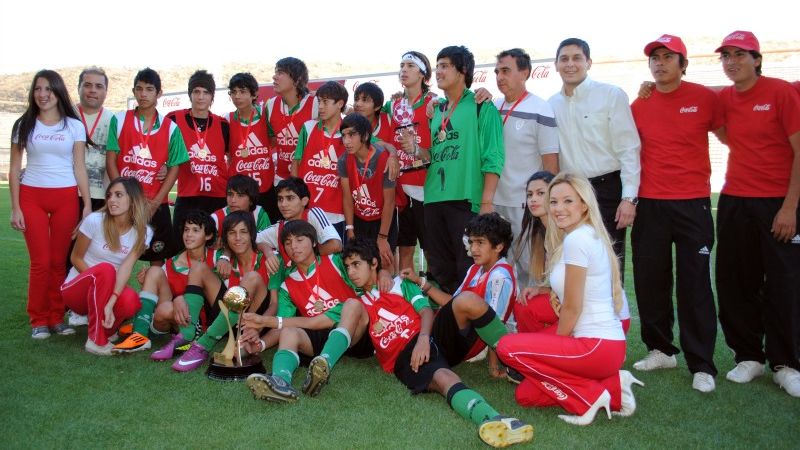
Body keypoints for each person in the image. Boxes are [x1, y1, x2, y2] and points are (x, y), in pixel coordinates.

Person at [340, 238, 533, 448]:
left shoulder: (400, 284)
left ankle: (518, 361)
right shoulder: (355, 306)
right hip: (405, 355)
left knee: (467, 299)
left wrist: (424, 338)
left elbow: (426, 311)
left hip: (430, 335)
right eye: (347, 267)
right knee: (443, 376)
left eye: (356, 264)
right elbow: (336, 328)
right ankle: (491, 418)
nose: (351, 272)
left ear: (374, 263)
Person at [497, 173, 641, 425]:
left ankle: (590, 397)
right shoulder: (577, 235)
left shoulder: (578, 239)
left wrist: (555, 350)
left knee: (507, 348)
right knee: (525, 395)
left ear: (584, 204)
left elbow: (572, 308)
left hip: (596, 344)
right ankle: (614, 387)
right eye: (554, 202)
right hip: (598, 344)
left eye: (567, 201)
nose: (558, 208)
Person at [630, 34, 722, 393]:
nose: (660, 63)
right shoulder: (640, 104)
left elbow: (730, 127)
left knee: (695, 283)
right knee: (650, 280)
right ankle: (660, 349)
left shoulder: (704, 98)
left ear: (683, 64)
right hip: (649, 204)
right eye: (655, 57)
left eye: (669, 57)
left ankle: (702, 364)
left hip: (693, 204)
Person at [713, 31, 800, 397]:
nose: (732, 61)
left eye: (740, 55)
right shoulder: (722, 98)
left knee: (785, 284)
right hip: (735, 199)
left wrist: (790, 207)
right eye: (726, 56)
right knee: (736, 282)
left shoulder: (781, 92)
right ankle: (748, 356)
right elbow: (723, 132)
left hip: (778, 202)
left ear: (757, 59)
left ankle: (787, 364)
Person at [241, 220, 373, 401]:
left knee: (352, 304)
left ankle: (324, 363)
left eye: (299, 240)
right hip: (321, 336)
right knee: (288, 331)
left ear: (313, 242)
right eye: (288, 243)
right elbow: (282, 322)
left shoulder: (336, 261)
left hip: (356, 334)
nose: (293, 247)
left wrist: (383, 274)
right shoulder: (288, 284)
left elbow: (367, 272)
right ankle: (280, 382)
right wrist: (260, 344)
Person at [548, 38, 641, 275]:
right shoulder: (551, 105)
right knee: (574, 262)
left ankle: (614, 312)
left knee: (610, 265)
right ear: (556, 64)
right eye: (564, 59)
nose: (570, 64)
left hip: (608, 190)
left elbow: (629, 148)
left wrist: (628, 198)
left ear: (588, 62)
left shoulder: (611, 95)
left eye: (577, 58)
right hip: (572, 193)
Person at [10, 69, 91, 339]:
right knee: (40, 262)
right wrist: (16, 207)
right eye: (37, 89)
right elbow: (13, 169)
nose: (43, 95)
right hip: (31, 196)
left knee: (58, 262)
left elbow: (80, 167)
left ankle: (57, 318)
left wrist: (87, 206)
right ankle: (38, 320)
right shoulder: (24, 124)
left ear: (58, 93)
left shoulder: (74, 125)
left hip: (66, 197)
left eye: (48, 89)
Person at [422, 45, 504, 294]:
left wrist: (487, 201)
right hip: (434, 199)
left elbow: (493, 156)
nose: (438, 72)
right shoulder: (436, 109)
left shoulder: (482, 106)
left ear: (463, 70)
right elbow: (433, 154)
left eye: (445, 66)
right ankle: (447, 327)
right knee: (440, 269)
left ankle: (467, 327)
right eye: (437, 67)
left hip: (466, 199)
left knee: (467, 269)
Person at [401, 212, 516, 380]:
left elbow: (495, 324)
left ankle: (513, 360)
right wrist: (420, 282)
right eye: (471, 242)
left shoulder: (500, 276)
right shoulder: (476, 268)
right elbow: (452, 303)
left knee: (463, 301)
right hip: (454, 332)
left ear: (499, 246)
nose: (473, 249)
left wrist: (494, 366)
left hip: (465, 343)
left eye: (480, 243)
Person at [60, 177, 152, 354]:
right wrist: (100, 283)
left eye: (118, 195)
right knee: (106, 269)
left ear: (133, 199)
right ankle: (95, 340)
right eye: (109, 195)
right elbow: (76, 257)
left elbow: (126, 268)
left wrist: (110, 300)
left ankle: (107, 331)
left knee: (131, 300)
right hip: (76, 289)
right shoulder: (95, 220)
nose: (112, 200)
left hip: (107, 290)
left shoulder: (144, 232)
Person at [171, 211, 272, 372]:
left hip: (255, 322)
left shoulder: (269, 260)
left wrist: (258, 327)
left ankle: (204, 344)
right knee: (198, 267)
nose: (237, 237)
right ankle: (187, 335)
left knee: (251, 278)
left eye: (243, 232)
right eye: (232, 233)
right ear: (225, 238)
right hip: (227, 321)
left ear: (252, 234)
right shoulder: (224, 261)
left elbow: (275, 304)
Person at [106, 67, 189, 263]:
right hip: (124, 204)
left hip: (154, 205)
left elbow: (175, 167)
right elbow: (110, 160)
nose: (143, 94)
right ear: (134, 91)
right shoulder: (118, 120)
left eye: (149, 89)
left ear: (159, 93)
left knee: (156, 261)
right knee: (114, 258)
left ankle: (150, 295)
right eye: (139, 89)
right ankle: (114, 294)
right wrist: (122, 196)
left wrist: (155, 203)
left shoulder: (171, 128)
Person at [492, 48, 560, 289]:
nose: (500, 77)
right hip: (495, 204)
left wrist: (545, 204)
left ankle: (535, 324)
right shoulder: (491, 106)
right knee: (501, 274)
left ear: (525, 73)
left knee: (533, 271)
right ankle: (507, 326)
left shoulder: (540, 109)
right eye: (497, 71)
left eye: (506, 71)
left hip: (526, 206)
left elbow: (550, 164)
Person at [112, 210, 217, 354]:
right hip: (177, 317)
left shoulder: (218, 258)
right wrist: (145, 282)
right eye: (186, 230)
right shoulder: (172, 263)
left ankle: (147, 325)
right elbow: (158, 293)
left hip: (204, 319)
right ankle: (140, 334)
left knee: (166, 309)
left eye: (195, 230)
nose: (189, 234)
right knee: (154, 272)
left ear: (208, 235)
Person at [167, 70, 230, 243]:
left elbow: (232, 158)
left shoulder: (223, 124)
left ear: (212, 96)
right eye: (196, 91)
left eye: (206, 92)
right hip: (188, 195)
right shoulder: (174, 119)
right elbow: (161, 149)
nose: (201, 97)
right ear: (190, 94)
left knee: (216, 246)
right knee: (180, 245)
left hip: (217, 196)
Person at [388, 51, 435, 275]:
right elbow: (385, 138)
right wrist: (391, 155)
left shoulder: (434, 103)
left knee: (432, 248)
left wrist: (416, 150)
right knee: (405, 247)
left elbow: (439, 148)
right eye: (401, 65)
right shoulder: (394, 105)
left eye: (410, 66)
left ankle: (436, 295)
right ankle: (407, 299)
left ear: (423, 74)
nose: (404, 70)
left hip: (428, 187)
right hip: (401, 189)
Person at [338, 113, 397, 270]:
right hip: (359, 219)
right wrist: (350, 230)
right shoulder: (344, 160)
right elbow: (347, 198)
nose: (346, 141)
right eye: (343, 136)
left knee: (385, 264)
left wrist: (383, 237)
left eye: (352, 135)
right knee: (362, 266)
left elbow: (390, 202)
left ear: (364, 135)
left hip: (382, 219)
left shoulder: (383, 159)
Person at [292, 81, 348, 236]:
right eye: (318, 101)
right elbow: (296, 163)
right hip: (308, 210)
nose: (320, 107)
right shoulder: (308, 127)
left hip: (336, 212)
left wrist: (391, 153)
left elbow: (375, 144)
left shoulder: (349, 131)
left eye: (325, 102)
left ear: (340, 104)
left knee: (334, 258)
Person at [255, 176, 342, 272]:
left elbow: (336, 245)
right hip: (295, 283)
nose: (283, 204)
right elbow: (250, 241)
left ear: (304, 201)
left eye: (290, 198)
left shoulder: (313, 214)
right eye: (280, 199)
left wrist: (303, 255)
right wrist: (268, 251)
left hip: (325, 275)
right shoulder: (278, 228)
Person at [226, 73, 279, 223]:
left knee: (268, 231)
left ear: (254, 94)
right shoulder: (227, 119)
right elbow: (226, 152)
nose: (237, 96)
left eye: (242, 92)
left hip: (265, 187)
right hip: (239, 192)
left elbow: (274, 140)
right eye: (233, 92)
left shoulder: (265, 115)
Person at [511, 171, 557, 333]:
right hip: (566, 302)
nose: (533, 199)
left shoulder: (566, 232)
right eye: (530, 194)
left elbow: (580, 289)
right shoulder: (541, 234)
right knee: (523, 303)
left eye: (540, 193)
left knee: (512, 348)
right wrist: (542, 289)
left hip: (588, 313)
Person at [265, 57, 318, 188]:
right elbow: (271, 140)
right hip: (280, 180)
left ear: (297, 79)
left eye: (280, 73)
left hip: (307, 180)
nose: (274, 77)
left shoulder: (315, 103)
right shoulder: (270, 105)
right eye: (275, 72)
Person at [76, 67, 115, 212]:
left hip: (102, 196)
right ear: (78, 88)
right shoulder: (66, 117)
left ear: (106, 92)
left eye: (99, 86)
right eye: (87, 85)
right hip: (69, 193)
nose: (93, 90)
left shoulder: (114, 121)